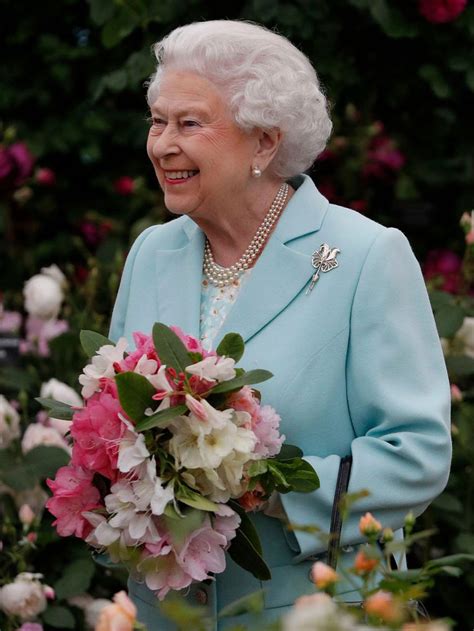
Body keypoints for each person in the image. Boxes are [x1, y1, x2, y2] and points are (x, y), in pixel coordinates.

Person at [108, 19, 452, 630]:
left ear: (264, 143)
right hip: (166, 614)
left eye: (189, 123)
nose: (162, 144)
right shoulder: (151, 253)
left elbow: (417, 453)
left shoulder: (365, 256)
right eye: (157, 121)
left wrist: (266, 485)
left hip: (308, 609)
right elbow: (112, 425)